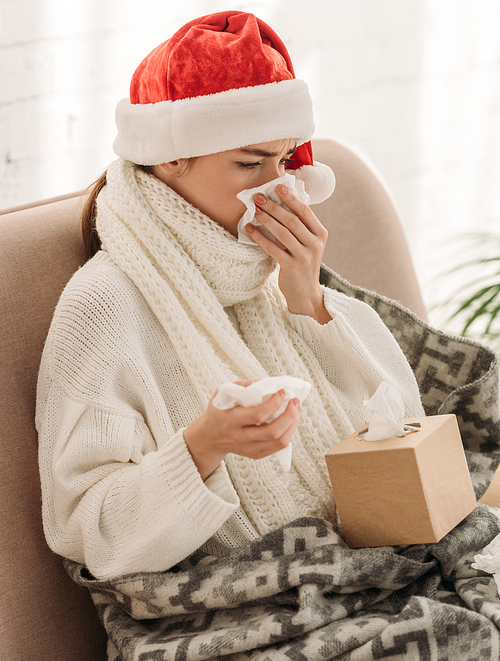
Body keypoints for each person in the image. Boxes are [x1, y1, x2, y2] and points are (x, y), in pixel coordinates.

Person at [36, 10, 425, 581]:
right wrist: (201, 449)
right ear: (171, 158)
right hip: (223, 615)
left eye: (285, 159)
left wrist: (311, 305)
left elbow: (404, 428)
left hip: (353, 572)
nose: (278, 184)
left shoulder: (266, 266)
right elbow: (83, 529)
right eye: (249, 162)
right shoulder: (103, 306)